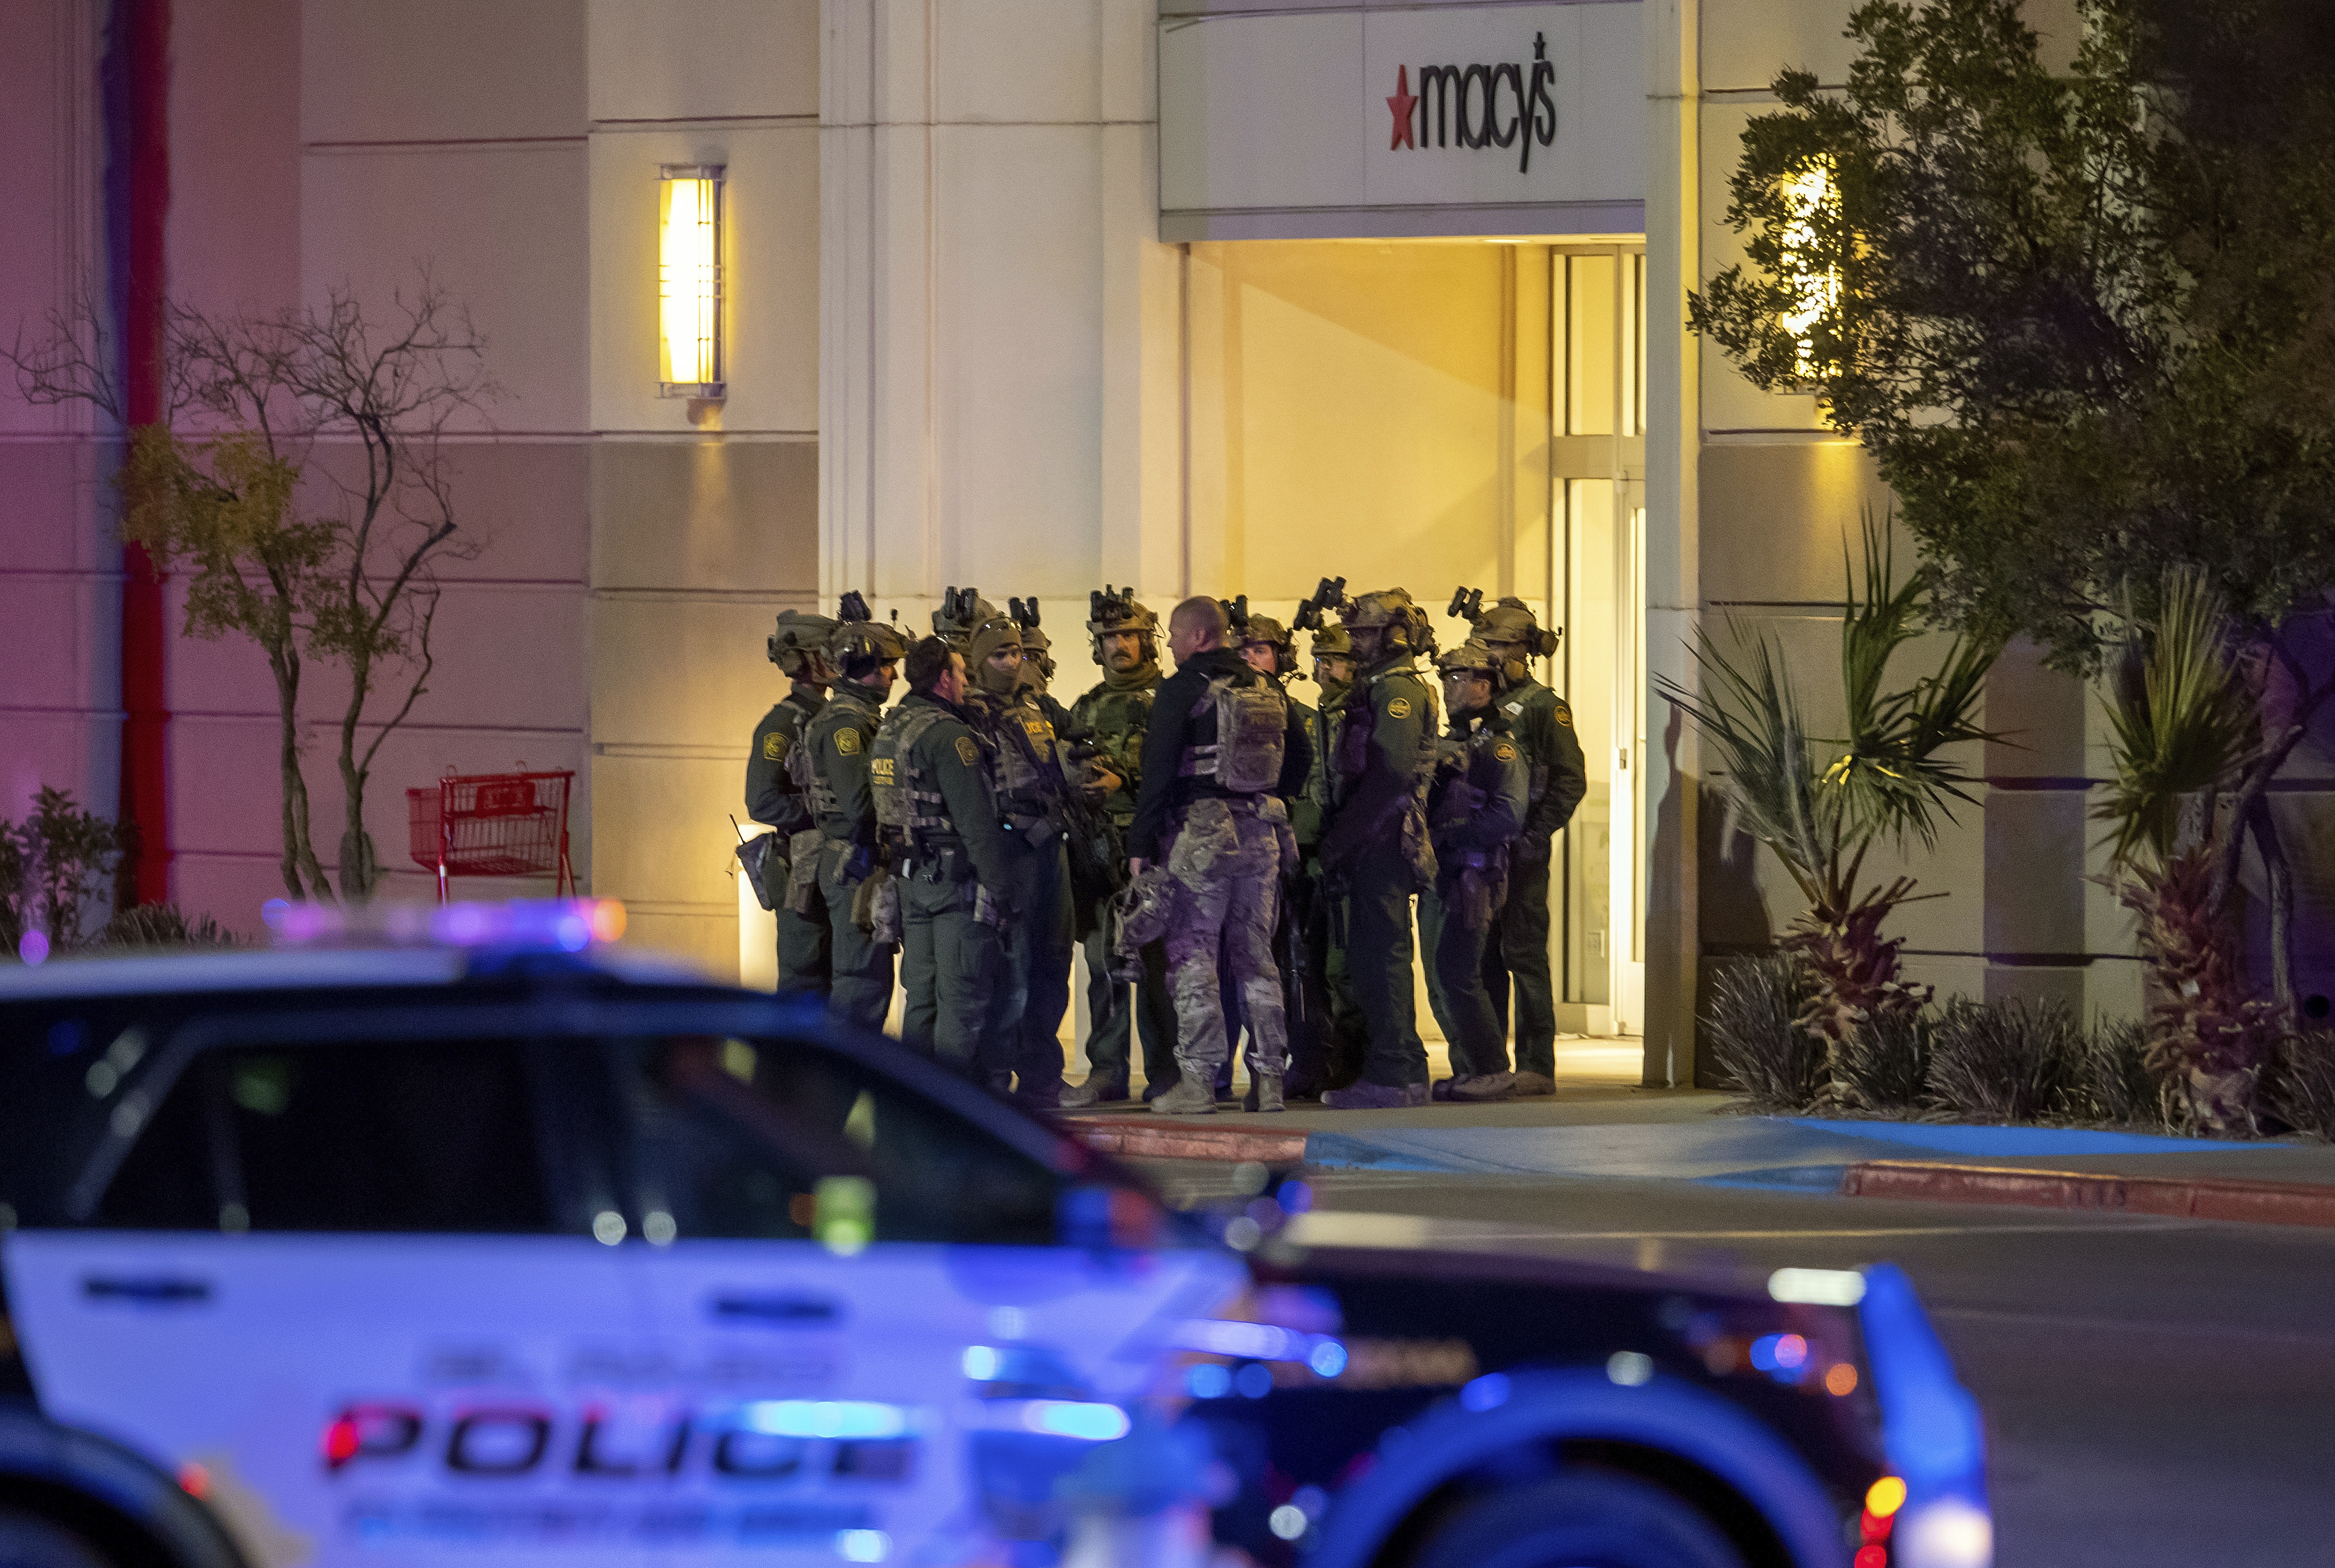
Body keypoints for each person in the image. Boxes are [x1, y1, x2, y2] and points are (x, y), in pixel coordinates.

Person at [1125, 597, 1312, 1114]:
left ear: (1201, 636)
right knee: (1256, 955)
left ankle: (1199, 1081)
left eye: (1174, 636)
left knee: (1193, 957)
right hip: (1263, 835)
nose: (1170, 646)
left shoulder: (1182, 688)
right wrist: (1268, 793)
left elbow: (1158, 773)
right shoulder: (1267, 685)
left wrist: (1141, 847)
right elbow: (1302, 758)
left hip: (1202, 838)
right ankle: (1270, 1080)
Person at [1315, 589, 1440, 1110]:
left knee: (1381, 955)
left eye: (1365, 633)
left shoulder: (1398, 692)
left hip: (1383, 837)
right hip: (1373, 835)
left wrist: (1340, 840)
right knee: (1375, 954)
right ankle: (1402, 1069)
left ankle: (1393, 1073)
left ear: (1393, 635)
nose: (1356, 643)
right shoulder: (1379, 686)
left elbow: (1389, 773)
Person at [873, 637, 1017, 1085]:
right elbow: (977, 822)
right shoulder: (949, 736)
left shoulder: (889, 729)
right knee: (961, 998)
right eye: (961, 673)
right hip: (954, 886)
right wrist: (1004, 890)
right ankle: (953, 1109)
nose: (966, 682)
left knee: (921, 998)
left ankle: (915, 1105)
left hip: (910, 880)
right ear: (944, 679)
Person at [1060, 588, 1179, 1107]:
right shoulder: (1084, 706)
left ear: (1147, 641)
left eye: (1128, 635)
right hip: (1097, 853)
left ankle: (1168, 1073)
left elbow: (1176, 775)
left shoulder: (1170, 702)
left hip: (1152, 850)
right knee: (1101, 966)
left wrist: (1123, 783)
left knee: (1158, 969)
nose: (1119, 645)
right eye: (1109, 637)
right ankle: (1107, 1069)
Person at [1466, 595, 1589, 1096]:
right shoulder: (1482, 701)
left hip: (1523, 852)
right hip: (1486, 852)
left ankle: (1537, 1062)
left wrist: (1537, 836)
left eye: (1497, 647)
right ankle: (1493, 1061)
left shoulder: (1545, 707)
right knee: (1486, 957)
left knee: (1525, 954)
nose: (1490, 656)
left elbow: (1569, 780)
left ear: (1522, 649)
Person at [960, 610, 1078, 1109]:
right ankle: (996, 1079)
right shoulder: (968, 714)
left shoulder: (1039, 707)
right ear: (979, 661)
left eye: (1018, 653)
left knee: (1054, 962)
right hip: (1010, 849)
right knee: (1013, 969)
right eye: (1001, 655)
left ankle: (1042, 1078)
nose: (1012, 663)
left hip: (1051, 843)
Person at [1418, 640, 1531, 1101]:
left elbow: (1509, 816)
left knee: (1459, 970)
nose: (1448, 687)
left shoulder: (1500, 749)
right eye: (1446, 678)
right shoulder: (1454, 743)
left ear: (1484, 685)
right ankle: (1470, 1066)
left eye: (1458, 678)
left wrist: (1453, 833)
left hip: (1474, 875)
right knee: (1441, 973)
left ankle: (1490, 1066)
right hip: (1443, 873)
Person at [797, 604, 907, 1033]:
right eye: (887, 666)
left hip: (854, 858)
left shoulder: (859, 717)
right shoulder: (846, 724)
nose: (894, 676)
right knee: (861, 977)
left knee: (867, 975)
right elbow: (859, 804)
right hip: (853, 862)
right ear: (865, 665)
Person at [746, 608, 838, 998]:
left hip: (832, 871)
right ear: (808, 659)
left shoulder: (833, 715)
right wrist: (824, 813)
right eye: (828, 651)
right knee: (805, 979)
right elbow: (762, 802)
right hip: (803, 872)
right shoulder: (782, 724)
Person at [1297, 621, 1369, 1095]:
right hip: (1311, 857)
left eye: (1337, 660)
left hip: (1350, 857)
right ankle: (1320, 1063)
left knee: (1346, 970)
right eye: (1321, 660)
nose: (1327, 669)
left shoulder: (1362, 715)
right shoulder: (1314, 718)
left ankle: (1354, 1066)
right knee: (1312, 965)